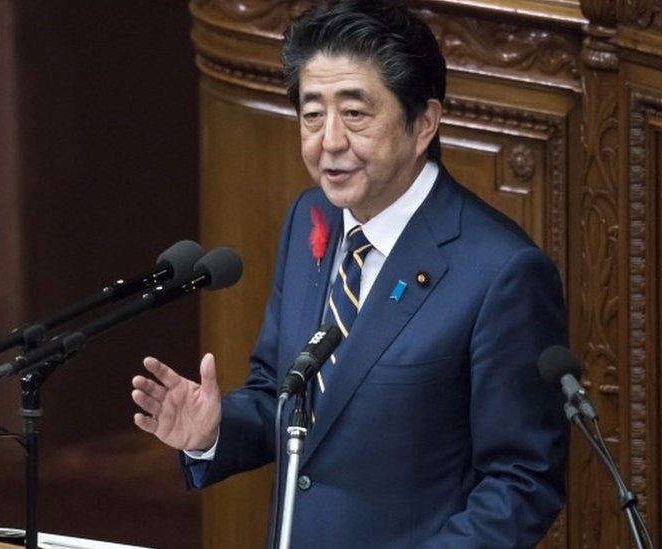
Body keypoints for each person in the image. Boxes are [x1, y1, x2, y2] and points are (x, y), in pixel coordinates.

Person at [130, 1, 568, 547]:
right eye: (313, 114)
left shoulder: (502, 272)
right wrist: (213, 432)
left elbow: (522, 482)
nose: (328, 141)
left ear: (424, 122)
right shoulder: (309, 219)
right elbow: (280, 392)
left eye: (355, 114)